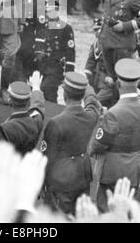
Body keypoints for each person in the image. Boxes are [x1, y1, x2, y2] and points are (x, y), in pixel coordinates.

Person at [89, 58, 140, 212]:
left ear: (118, 84)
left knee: (105, 212)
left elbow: (97, 145)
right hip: (134, 169)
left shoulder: (114, 113)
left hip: (112, 171)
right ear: (137, 83)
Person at [72, 0, 140, 79]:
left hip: (121, 46)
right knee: (111, 79)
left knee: (122, 79)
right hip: (107, 43)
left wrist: (125, 26)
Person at [42, 71, 101, 215]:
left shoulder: (56, 123)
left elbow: (46, 158)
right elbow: (93, 104)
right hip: (82, 175)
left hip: (62, 179)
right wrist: (89, 89)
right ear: (81, 95)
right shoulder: (91, 116)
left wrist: (42, 186)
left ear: (64, 94)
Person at [34, 0, 75, 103]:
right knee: (45, 91)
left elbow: (70, 51)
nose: (48, 14)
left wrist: (69, 73)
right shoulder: (42, 26)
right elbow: (38, 44)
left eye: (51, 11)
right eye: (47, 12)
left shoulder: (66, 28)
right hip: (44, 66)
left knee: (47, 88)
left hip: (57, 66)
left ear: (57, 11)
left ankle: (52, 113)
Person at [0, 72, 45, 156]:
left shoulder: (4, 128)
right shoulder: (36, 119)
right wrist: (36, 87)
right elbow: (38, 105)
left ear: (9, 100)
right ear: (29, 101)